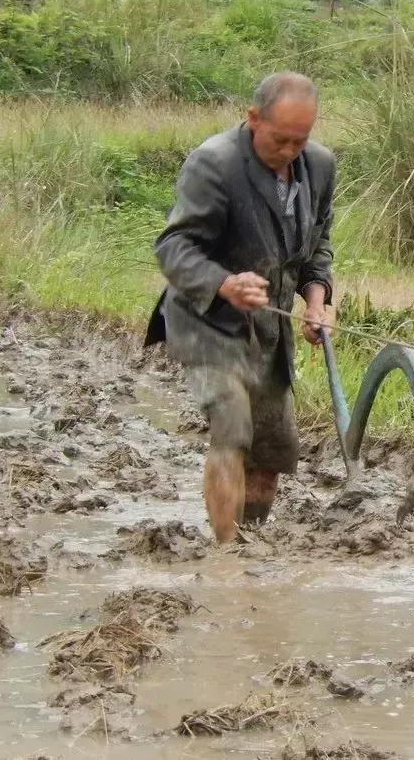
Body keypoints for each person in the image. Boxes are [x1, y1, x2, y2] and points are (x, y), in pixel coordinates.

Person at [145, 72, 336, 543]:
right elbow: (175, 247)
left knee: (273, 448)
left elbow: (317, 247)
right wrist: (224, 283)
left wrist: (316, 301)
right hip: (209, 319)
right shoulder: (215, 164)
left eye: (301, 140)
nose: (290, 151)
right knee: (233, 426)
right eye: (279, 139)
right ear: (253, 120)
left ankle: (250, 539)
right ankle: (226, 557)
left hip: (270, 323)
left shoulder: (320, 166)